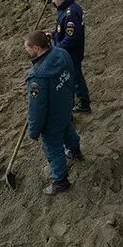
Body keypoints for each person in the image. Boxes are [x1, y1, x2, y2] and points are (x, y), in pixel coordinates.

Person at [24, 30, 83, 195]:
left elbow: (37, 109)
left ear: (36, 48)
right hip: (65, 105)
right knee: (67, 128)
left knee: (53, 147)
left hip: (51, 117)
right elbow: (71, 76)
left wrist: (34, 132)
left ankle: (61, 181)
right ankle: (75, 151)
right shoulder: (61, 53)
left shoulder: (37, 77)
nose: (26, 51)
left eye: (27, 48)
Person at [49, 0, 90, 113]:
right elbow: (62, 31)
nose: (53, 2)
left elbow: (71, 38)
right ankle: (83, 102)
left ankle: (77, 105)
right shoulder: (66, 8)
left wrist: (58, 49)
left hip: (71, 54)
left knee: (71, 80)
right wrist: (52, 35)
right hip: (69, 52)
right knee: (76, 77)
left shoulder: (71, 13)